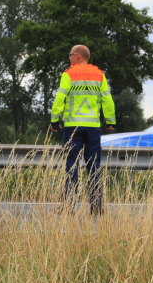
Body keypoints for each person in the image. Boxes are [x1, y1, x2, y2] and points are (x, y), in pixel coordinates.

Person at [50, 45, 116, 215]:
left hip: (73, 127)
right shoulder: (99, 74)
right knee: (94, 166)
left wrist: (54, 120)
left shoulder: (69, 74)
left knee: (71, 165)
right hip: (93, 127)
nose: (69, 58)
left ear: (78, 56)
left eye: (71, 55)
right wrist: (110, 121)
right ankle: (96, 207)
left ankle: (68, 206)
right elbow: (107, 99)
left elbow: (61, 97)